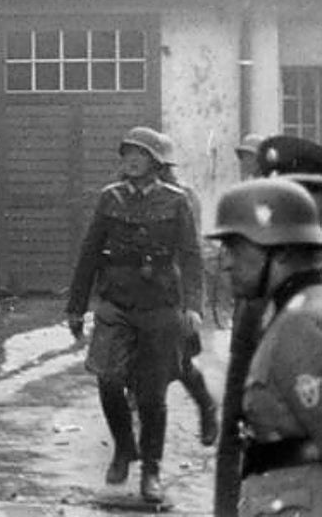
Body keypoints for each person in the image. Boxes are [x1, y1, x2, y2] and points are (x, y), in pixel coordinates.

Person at [65, 125, 203, 503]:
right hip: (116, 303)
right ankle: (125, 447)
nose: (131, 159)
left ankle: (152, 471)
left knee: (152, 394)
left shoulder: (176, 201)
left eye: (139, 154)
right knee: (108, 380)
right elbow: (89, 254)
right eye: (127, 153)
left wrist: (193, 306)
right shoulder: (109, 199)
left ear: (156, 163)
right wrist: (76, 308)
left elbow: (191, 257)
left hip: (160, 306)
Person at [208, 177, 322, 516]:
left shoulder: (302, 324)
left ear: (281, 251)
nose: (226, 262)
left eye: (235, 247)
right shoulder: (292, 310)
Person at [152, 133, 218, 448]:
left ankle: (206, 406)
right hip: (142, 293)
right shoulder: (130, 193)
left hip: (173, 291)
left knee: (178, 364)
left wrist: (193, 303)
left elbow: (190, 253)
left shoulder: (183, 197)